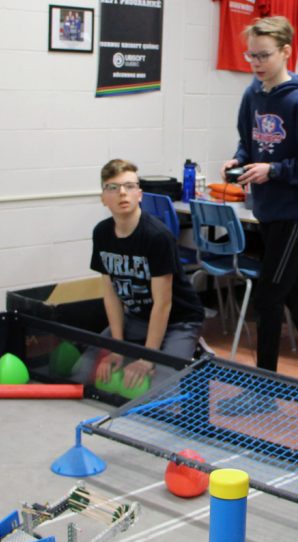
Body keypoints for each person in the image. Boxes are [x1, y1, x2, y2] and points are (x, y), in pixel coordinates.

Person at [221, 15, 298, 414]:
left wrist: (274, 171)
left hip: (295, 214)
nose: (256, 63)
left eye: (264, 55)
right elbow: (248, 143)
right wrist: (239, 163)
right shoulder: (251, 96)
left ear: (286, 51)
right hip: (266, 210)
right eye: (251, 55)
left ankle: (263, 389)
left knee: (269, 298)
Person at [79, 159, 205, 389]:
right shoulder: (102, 233)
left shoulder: (157, 236)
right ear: (103, 198)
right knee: (82, 374)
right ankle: (138, 349)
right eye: (113, 188)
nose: (122, 193)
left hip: (179, 321)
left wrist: (148, 358)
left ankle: (193, 351)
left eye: (129, 186)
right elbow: (111, 295)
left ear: (140, 194)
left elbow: (163, 304)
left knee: (160, 394)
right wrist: (118, 347)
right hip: (136, 318)